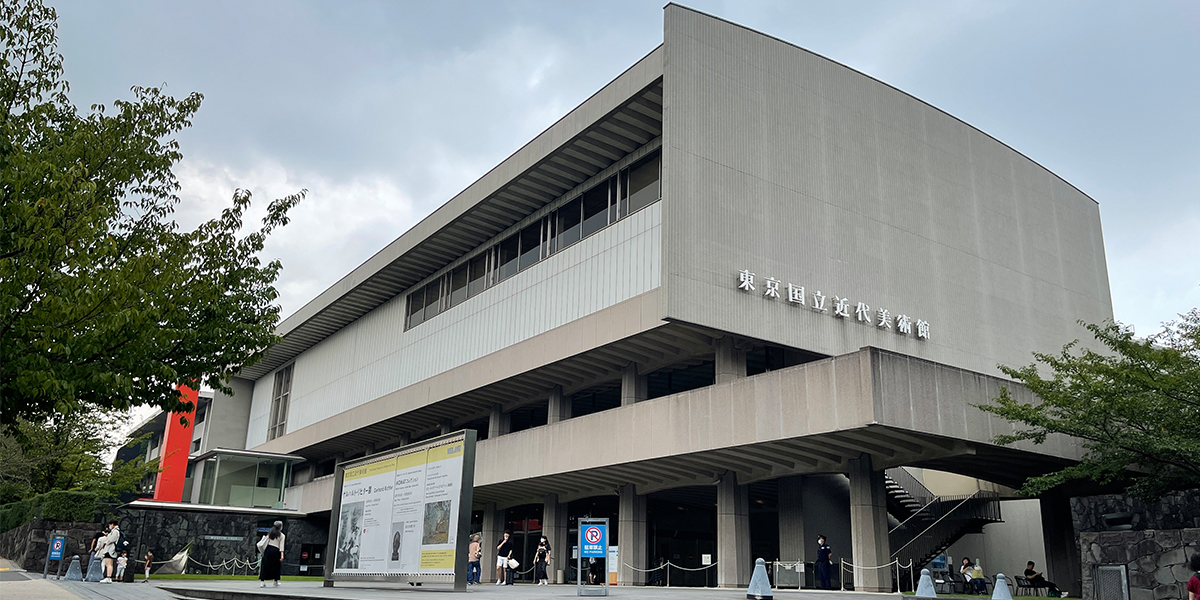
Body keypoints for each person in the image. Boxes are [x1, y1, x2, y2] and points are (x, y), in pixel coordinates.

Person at [256, 520, 286, 588]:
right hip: (276, 551)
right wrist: (282, 555)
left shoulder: (270, 533)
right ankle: (276, 581)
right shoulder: (282, 535)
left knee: (265, 566)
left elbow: (265, 543)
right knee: (276, 567)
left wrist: (263, 552)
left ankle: (262, 582)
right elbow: (281, 546)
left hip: (268, 550)